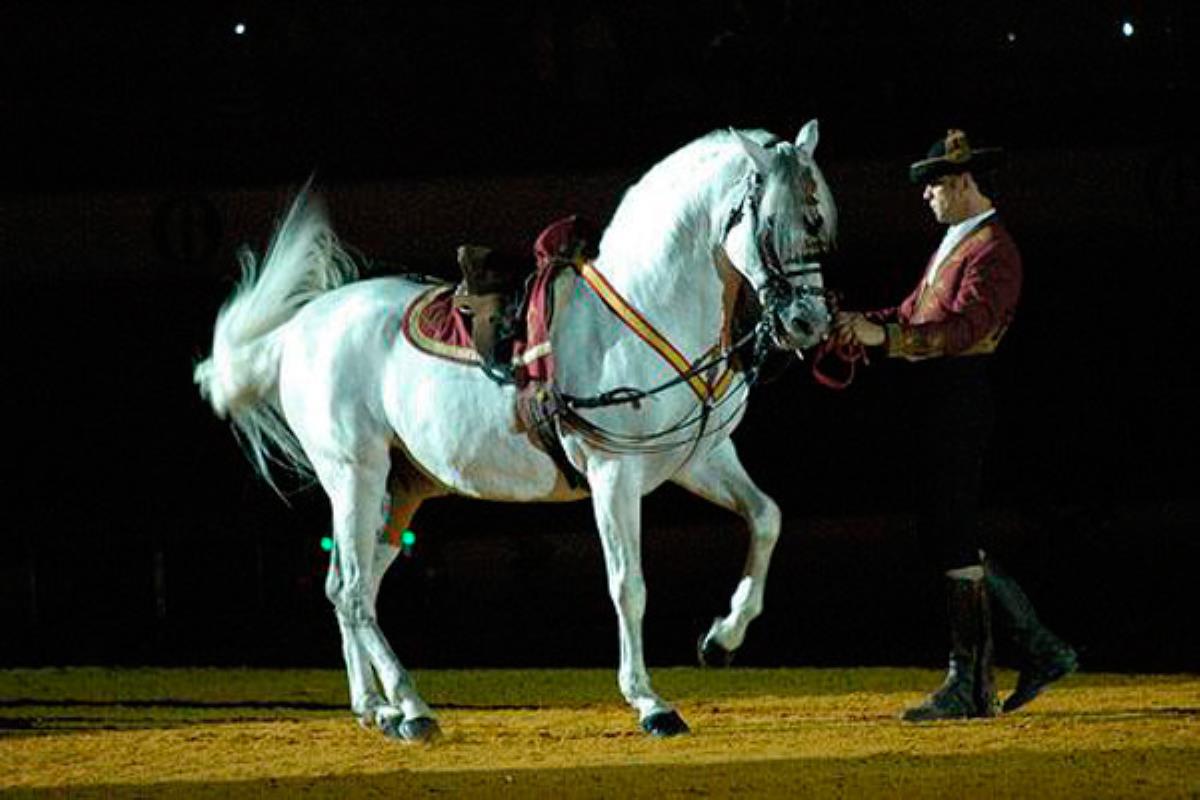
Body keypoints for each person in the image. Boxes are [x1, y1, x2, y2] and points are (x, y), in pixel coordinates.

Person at [835, 129, 1077, 721]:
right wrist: (856, 323)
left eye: (937, 184)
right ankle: (1035, 653)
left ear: (965, 182)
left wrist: (884, 337)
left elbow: (964, 330)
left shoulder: (995, 249)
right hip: (939, 398)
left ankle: (973, 681)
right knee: (948, 533)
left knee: (951, 534)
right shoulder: (959, 241)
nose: (928, 196)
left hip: (958, 397)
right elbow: (915, 312)